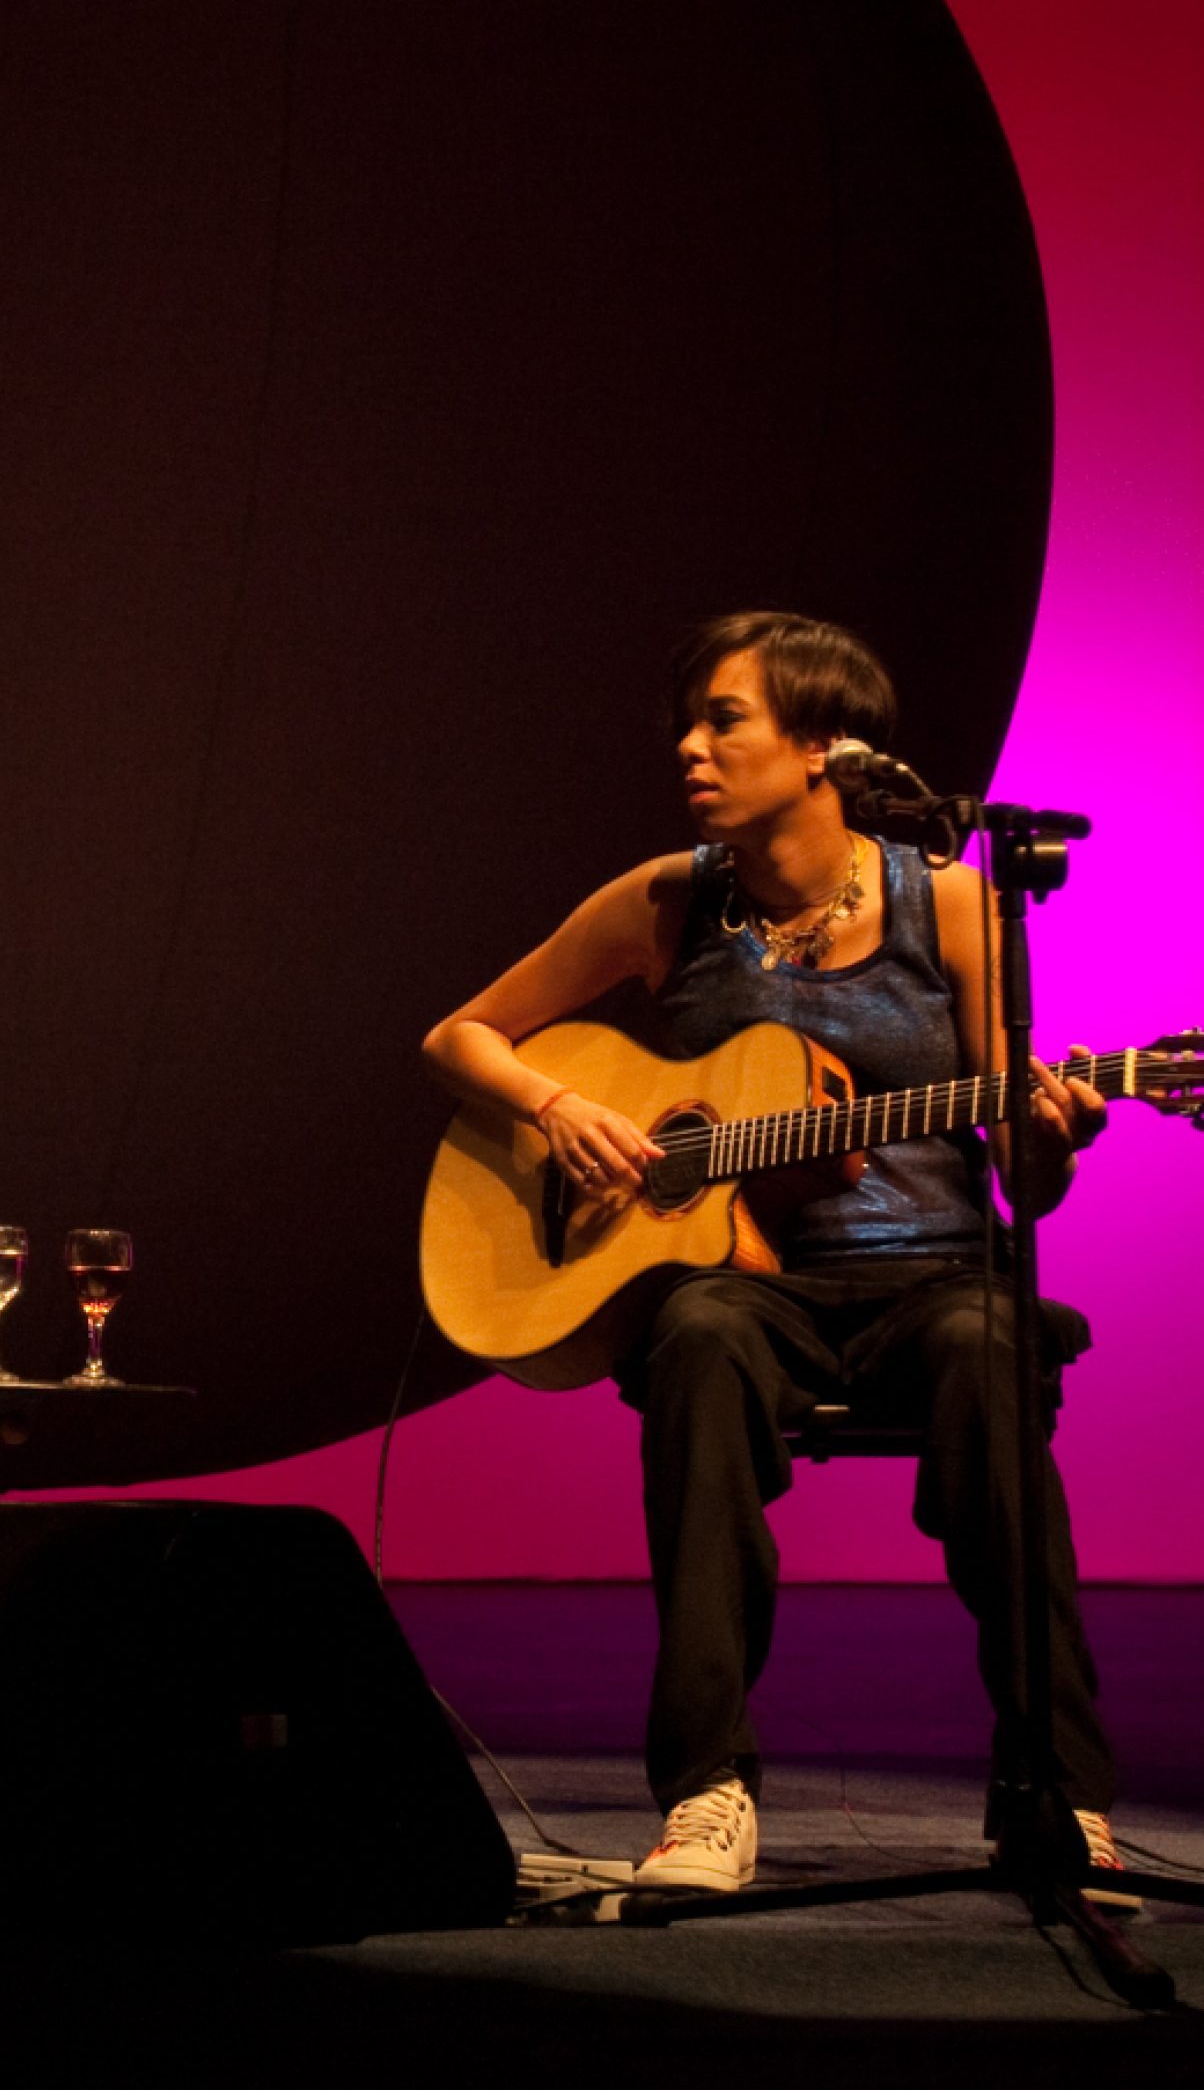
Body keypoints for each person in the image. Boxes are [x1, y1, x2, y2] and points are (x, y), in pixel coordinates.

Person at [422, 611, 1123, 1897]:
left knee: (984, 1338)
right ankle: (705, 1794)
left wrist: (1051, 1130)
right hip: (746, 1286)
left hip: (928, 1279)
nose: (690, 747)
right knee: (695, 1336)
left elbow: (1024, 1180)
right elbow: (457, 1037)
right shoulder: (665, 900)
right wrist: (556, 1105)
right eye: (687, 722)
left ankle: (1059, 1796)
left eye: (723, 720)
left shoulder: (953, 903)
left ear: (821, 748)